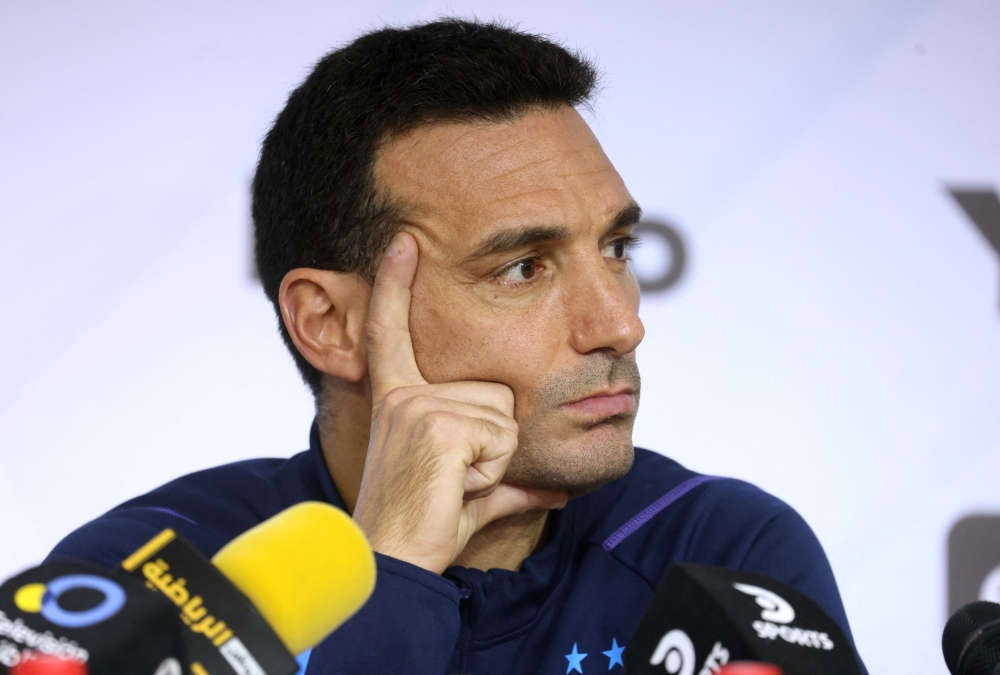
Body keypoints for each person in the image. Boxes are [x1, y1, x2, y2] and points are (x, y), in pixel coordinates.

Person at [48, 19, 866, 674]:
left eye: (617, 249)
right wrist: (391, 564)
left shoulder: (719, 550)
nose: (619, 324)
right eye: (522, 267)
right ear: (329, 323)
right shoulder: (148, 578)